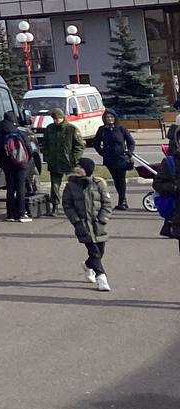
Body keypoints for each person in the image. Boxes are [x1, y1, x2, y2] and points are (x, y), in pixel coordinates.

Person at [62, 156, 112, 291]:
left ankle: (88, 265)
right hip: (83, 225)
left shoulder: (99, 184)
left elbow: (107, 203)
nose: (77, 169)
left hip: (99, 224)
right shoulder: (71, 185)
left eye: (81, 167)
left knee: (100, 251)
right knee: (94, 251)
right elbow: (67, 205)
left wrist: (103, 218)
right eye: (77, 166)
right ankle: (101, 277)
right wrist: (76, 221)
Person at [0, 111, 34, 223]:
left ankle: (10, 214)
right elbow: (29, 148)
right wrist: (27, 161)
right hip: (21, 163)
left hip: (7, 163)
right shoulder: (19, 131)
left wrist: (2, 163)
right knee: (20, 188)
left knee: (10, 188)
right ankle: (21, 213)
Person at [90, 110, 136, 210]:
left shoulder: (121, 129)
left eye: (111, 117)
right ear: (104, 119)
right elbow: (96, 143)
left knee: (121, 180)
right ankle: (122, 200)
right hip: (109, 159)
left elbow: (131, 142)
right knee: (116, 180)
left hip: (121, 159)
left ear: (115, 118)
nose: (109, 119)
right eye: (107, 117)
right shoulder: (102, 130)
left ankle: (122, 202)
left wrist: (129, 153)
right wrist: (102, 153)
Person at [43, 108, 84, 212]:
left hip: (69, 162)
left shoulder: (71, 129)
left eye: (58, 118)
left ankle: (76, 205)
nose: (56, 121)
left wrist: (74, 159)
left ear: (62, 117)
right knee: (55, 186)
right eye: (54, 119)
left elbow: (79, 146)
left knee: (73, 185)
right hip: (54, 162)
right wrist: (47, 157)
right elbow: (45, 145)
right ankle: (55, 206)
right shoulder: (49, 128)